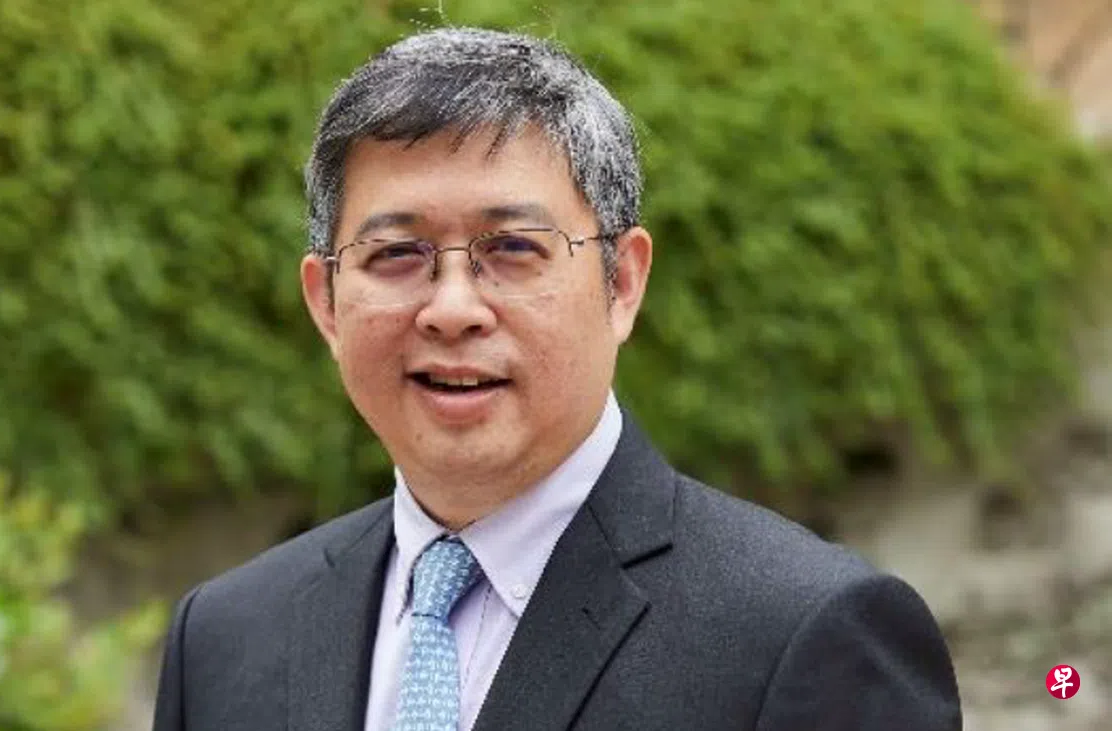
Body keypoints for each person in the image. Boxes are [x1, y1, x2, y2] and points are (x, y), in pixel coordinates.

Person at [152, 27, 961, 731]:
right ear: (326, 301)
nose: (452, 309)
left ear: (623, 282)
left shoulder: (806, 634)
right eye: (396, 253)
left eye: (512, 248)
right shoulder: (224, 638)